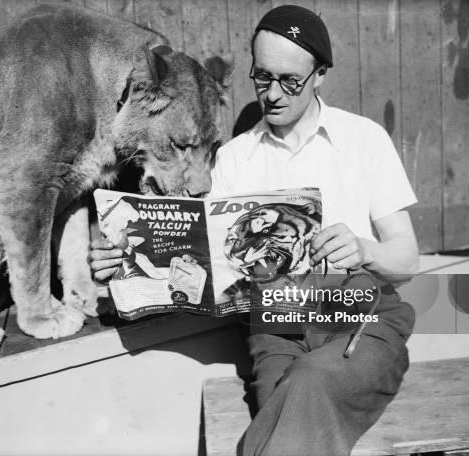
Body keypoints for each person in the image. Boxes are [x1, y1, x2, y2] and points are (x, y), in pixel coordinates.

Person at [89, 5, 419, 455]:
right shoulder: (232, 159)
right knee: (294, 415)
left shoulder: (365, 139)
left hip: (360, 317)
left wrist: (364, 248)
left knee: (309, 383)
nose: (274, 94)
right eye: (262, 77)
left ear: (320, 74)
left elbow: (408, 260)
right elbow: (198, 269)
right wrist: (124, 263)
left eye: (291, 80)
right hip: (276, 330)